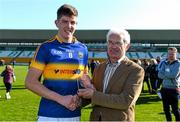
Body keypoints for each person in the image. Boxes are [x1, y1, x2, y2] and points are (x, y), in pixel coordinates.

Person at [25, 4, 88, 122]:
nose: (69, 26)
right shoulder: (45, 48)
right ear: (56, 23)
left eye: (73, 22)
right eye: (65, 21)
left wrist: (82, 96)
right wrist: (61, 99)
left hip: (74, 114)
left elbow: (83, 79)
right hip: (49, 115)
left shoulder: (83, 49)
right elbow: (30, 82)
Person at [78, 29, 144, 121]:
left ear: (127, 46)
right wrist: (77, 101)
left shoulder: (135, 70)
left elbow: (125, 101)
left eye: (118, 43)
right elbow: (92, 93)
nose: (113, 46)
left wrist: (93, 95)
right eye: (110, 42)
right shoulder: (99, 67)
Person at [158, 47, 180, 121]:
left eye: (172, 54)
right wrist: (168, 74)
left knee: (175, 110)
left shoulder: (178, 63)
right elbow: (159, 75)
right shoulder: (165, 63)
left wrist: (165, 73)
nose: (170, 55)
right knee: (166, 109)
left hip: (174, 89)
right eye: (169, 54)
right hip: (164, 89)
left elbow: (173, 75)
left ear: (175, 54)